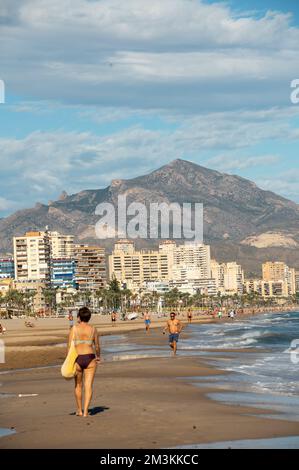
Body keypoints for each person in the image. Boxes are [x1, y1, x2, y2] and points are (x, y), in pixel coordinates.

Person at [68, 307, 100, 417]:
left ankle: (79, 410)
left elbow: (69, 347)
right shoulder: (93, 329)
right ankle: (86, 411)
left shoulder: (74, 329)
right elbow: (97, 346)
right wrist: (98, 356)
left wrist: (69, 361)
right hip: (90, 358)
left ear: (79, 317)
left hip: (77, 358)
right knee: (88, 386)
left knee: (78, 385)